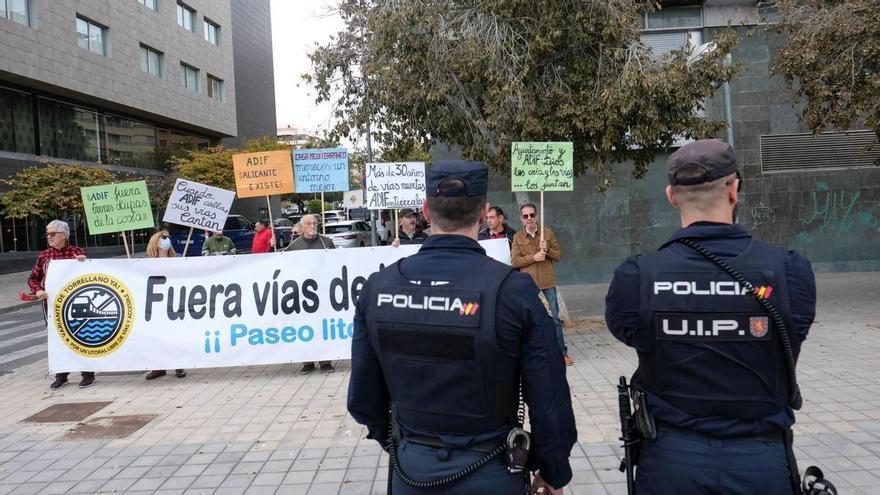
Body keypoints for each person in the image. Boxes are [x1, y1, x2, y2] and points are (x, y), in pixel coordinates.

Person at [348, 161, 577, 495]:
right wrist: (553, 472)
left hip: (412, 471)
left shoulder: (378, 288)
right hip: (492, 470)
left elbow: (363, 400)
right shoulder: (513, 291)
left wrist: (404, 447)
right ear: (483, 213)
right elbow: (550, 397)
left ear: (426, 211)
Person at [604, 139, 816, 494]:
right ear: (734, 190)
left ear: (671, 196)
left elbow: (626, 329)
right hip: (760, 462)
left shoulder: (637, 277)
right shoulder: (789, 272)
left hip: (671, 462)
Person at [28, 220, 94, 389]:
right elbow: (33, 278)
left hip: (74, 302)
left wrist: (85, 262)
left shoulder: (76, 252)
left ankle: (87, 373)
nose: (49, 237)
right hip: (51, 303)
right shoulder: (44, 256)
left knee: (80, 335)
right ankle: (61, 374)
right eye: (47, 234)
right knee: (56, 336)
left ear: (64, 235)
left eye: (52, 234)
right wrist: (37, 291)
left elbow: (90, 274)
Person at [511, 204, 571, 366]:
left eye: (531, 215)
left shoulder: (547, 233)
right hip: (529, 286)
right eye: (526, 216)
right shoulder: (518, 237)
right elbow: (515, 261)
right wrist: (534, 257)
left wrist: (548, 249)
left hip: (547, 283)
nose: (529, 219)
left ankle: (561, 353)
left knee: (554, 320)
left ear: (536, 216)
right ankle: (535, 354)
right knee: (530, 321)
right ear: (521, 218)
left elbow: (558, 255)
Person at [290, 214, 336, 373]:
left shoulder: (327, 242)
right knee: (305, 327)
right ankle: (307, 361)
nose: (312, 226)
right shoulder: (295, 245)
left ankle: (325, 362)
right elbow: (282, 264)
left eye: (315, 223)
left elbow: (337, 264)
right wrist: (272, 247)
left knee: (322, 326)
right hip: (302, 295)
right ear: (301, 227)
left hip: (322, 292)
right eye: (309, 224)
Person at [144, 230, 187, 381]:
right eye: (164, 237)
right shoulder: (145, 262)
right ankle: (158, 367)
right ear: (155, 240)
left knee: (175, 335)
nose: (167, 239)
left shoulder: (179, 258)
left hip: (174, 302)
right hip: (154, 304)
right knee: (155, 336)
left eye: (169, 237)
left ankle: (178, 365)